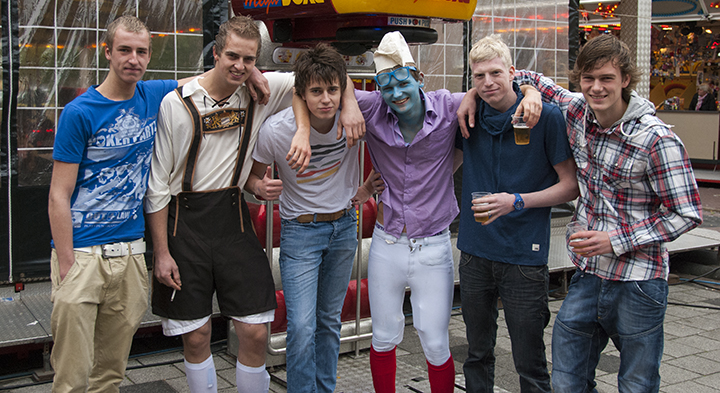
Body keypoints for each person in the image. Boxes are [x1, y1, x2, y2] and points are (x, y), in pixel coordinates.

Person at [291, 31, 541, 393]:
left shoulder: (448, 106)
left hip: (433, 246)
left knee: (435, 340)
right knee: (382, 336)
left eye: (402, 82)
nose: (396, 93)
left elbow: (499, 88)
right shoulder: (371, 108)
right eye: (386, 86)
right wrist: (344, 104)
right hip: (387, 243)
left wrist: (530, 92)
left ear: (418, 77)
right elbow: (307, 87)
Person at [459, 34, 702, 392]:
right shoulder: (576, 110)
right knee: (567, 379)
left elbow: (687, 213)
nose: (596, 87)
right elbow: (517, 76)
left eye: (606, 78)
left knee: (636, 382)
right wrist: (476, 93)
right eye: (589, 78)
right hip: (587, 273)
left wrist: (616, 240)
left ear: (626, 80)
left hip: (637, 277)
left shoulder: (656, 138)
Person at [145, 16, 363, 393]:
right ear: (216, 53)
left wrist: (349, 105)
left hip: (232, 214)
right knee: (196, 335)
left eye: (249, 59)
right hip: (185, 220)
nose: (240, 65)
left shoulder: (262, 87)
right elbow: (157, 185)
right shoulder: (176, 103)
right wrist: (161, 253)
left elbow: (320, 79)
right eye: (233, 56)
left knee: (255, 332)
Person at [47, 15, 209, 393]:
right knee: (71, 378)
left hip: (130, 255)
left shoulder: (152, 95)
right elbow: (58, 194)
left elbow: (206, 82)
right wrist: (68, 264)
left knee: (110, 375)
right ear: (107, 52)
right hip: (83, 255)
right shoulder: (79, 113)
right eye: (124, 50)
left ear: (149, 56)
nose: (133, 59)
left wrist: (253, 75)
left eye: (141, 51)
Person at [247, 43, 375, 393]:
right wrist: (260, 187)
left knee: (329, 322)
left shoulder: (352, 118)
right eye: (316, 91)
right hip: (301, 232)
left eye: (333, 90)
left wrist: (350, 102)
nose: (326, 99)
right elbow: (251, 177)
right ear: (301, 94)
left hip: (344, 226)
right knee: (302, 327)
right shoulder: (277, 130)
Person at [455, 35, 578, 393]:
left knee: (529, 361)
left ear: (512, 72)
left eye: (495, 73)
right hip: (475, 252)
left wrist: (517, 201)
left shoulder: (544, 117)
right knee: (476, 353)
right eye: (479, 76)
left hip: (524, 255)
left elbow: (570, 186)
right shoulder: (468, 116)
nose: (488, 82)